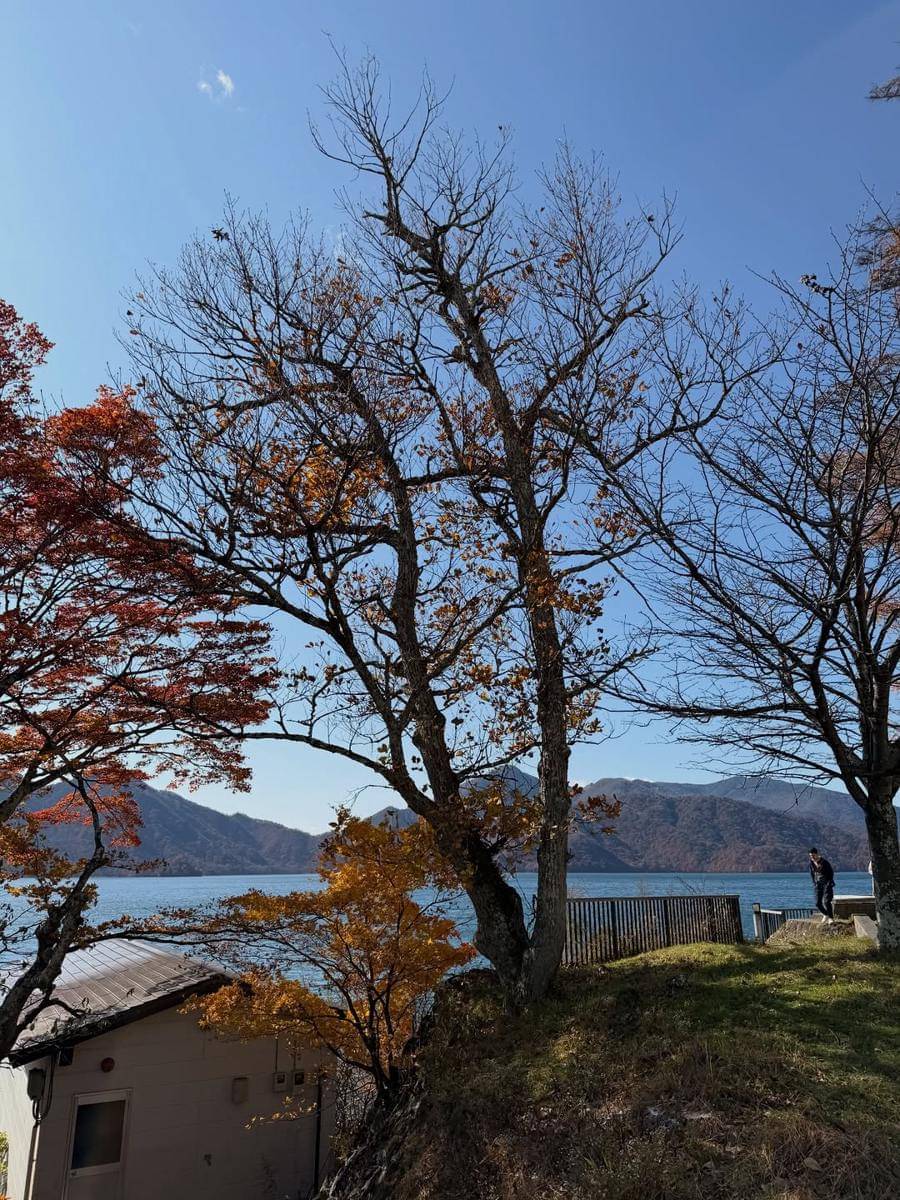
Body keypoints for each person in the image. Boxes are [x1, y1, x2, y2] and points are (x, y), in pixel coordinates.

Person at [808, 848, 835, 924]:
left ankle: (831, 918)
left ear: (817, 854)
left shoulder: (824, 862)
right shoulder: (811, 863)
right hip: (818, 884)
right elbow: (812, 874)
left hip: (827, 884)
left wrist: (830, 882)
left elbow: (831, 872)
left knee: (827, 901)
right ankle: (826, 914)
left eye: (813, 855)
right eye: (810, 856)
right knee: (818, 903)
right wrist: (814, 883)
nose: (812, 857)